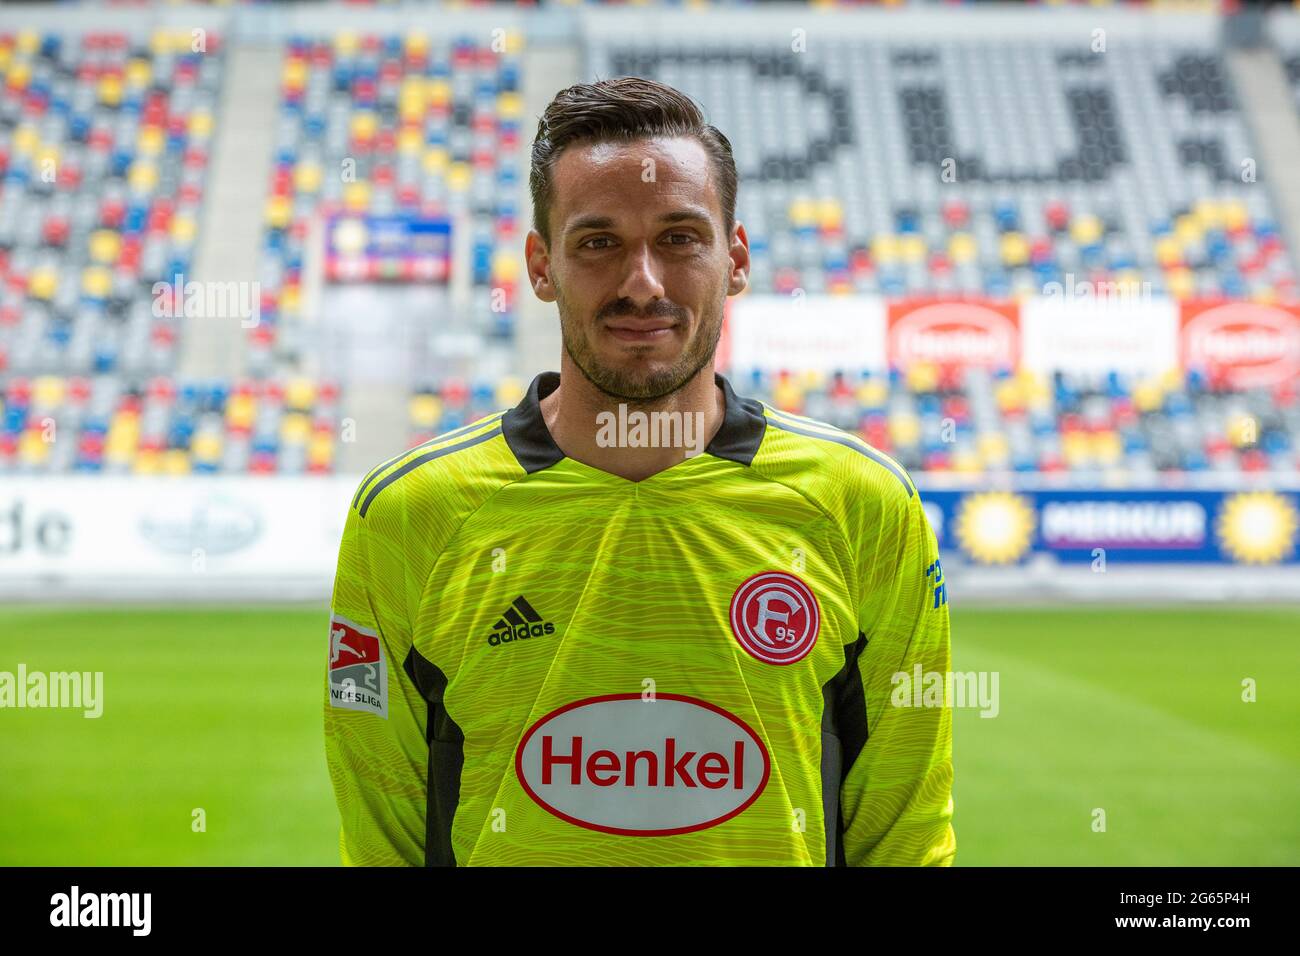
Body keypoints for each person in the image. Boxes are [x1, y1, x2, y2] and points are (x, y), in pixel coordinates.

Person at [324, 76, 955, 866]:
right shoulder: (413, 512)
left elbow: (907, 833)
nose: (642, 284)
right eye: (598, 242)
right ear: (541, 264)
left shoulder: (860, 503)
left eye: (680, 237)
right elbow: (382, 831)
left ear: (736, 259)